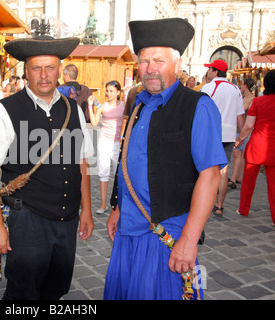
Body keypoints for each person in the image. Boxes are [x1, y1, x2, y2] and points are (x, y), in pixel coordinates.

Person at [104, 18, 226, 300]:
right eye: (144, 61)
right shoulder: (139, 104)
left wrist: (189, 239)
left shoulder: (198, 106)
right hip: (128, 231)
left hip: (166, 233)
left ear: (177, 65)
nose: (150, 68)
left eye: (159, 60)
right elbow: (128, 160)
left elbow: (210, 174)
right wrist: (117, 207)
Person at [0, 34, 94, 300]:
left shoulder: (73, 109)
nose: (44, 75)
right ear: (26, 72)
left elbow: (82, 161)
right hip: (28, 219)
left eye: (50, 67)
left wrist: (86, 209)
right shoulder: (3, 110)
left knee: (56, 289)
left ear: (59, 71)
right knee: (23, 292)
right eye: (36, 68)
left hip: (67, 218)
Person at [201, 59, 245, 216]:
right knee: (223, 172)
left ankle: (208, 201)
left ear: (215, 71)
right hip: (228, 136)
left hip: (211, 135)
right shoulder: (235, 89)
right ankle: (219, 205)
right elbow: (241, 116)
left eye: (209, 69)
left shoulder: (208, 87)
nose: (208, 72)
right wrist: (241, 137)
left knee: (208, 171)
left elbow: (199, 113)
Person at [236, 70, 275, 225]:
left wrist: (240, 139)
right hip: (273, 148)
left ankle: (244, 209)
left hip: (257, 145)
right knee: (273, 185)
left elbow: (249, 125)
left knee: (248, 181)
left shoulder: (258, 102)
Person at [87, 80, 125, 214]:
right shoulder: (103, 106)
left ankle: (119, 204)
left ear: (118, 92)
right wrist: (91, 107)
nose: (108, 93)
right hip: (104, 142)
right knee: (103, 173)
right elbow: (94, 122)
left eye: (111, 91)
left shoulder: (124, 106)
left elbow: (126, 122)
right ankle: (103, 204)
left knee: (119, 174)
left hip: (118, 143)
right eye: (107, 91)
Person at [229, 78, 256, 189]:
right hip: (238, 128)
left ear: (245, 86)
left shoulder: (252, 99)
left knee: (237, 153)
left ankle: (234, 178)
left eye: (242, 85)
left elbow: (241, 110)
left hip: (244, 129)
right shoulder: (243, 97)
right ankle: (238, 176)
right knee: (238, 154)